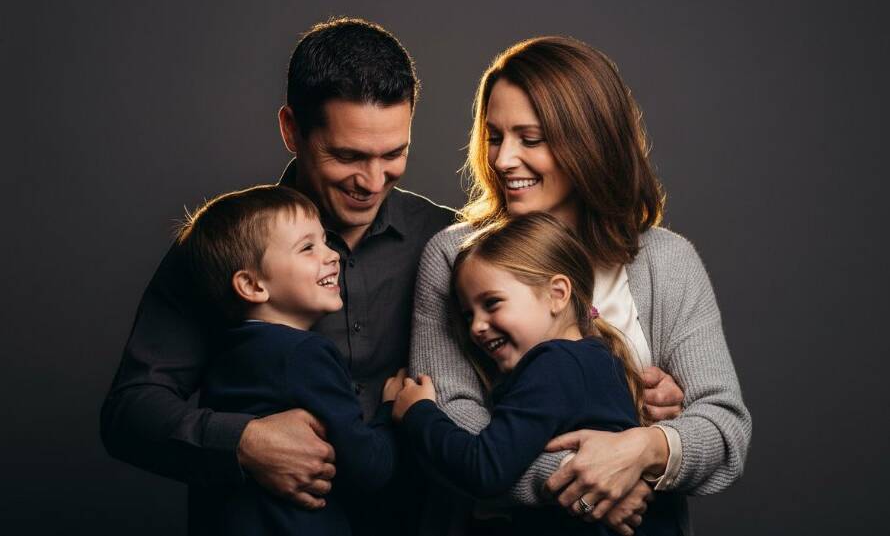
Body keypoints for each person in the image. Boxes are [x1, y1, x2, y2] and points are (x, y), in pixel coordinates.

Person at [100, 18, 454, 533]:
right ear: (291, 129)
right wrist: (244, 442)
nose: (373, 181)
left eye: (393, 154)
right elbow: (129, 413)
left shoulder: (447, 241)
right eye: (348, 155)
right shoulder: (229, 248)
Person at [410, 36, 751, 535]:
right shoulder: (455, 256)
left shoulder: (667, 261)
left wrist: (643, 449)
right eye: (494, 136)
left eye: (530, 139)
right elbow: (453, 418)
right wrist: (592, 482)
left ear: (589, 142)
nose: (504, 160)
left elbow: (724, 429)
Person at [395, 213, 682, 535]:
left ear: (558, 293)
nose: (476, 327)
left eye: (492, 303)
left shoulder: (553, 366)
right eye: (468, 314)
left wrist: (417, 413)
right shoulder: (597, 357)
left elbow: (485, 469)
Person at [178, 184, 407, 535]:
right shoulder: (305, 354)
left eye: (325, 241)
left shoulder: (229, 349)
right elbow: (368, 467)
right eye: (307, 248)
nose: (332, 255)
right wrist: (391, 409)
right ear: (253, 286)